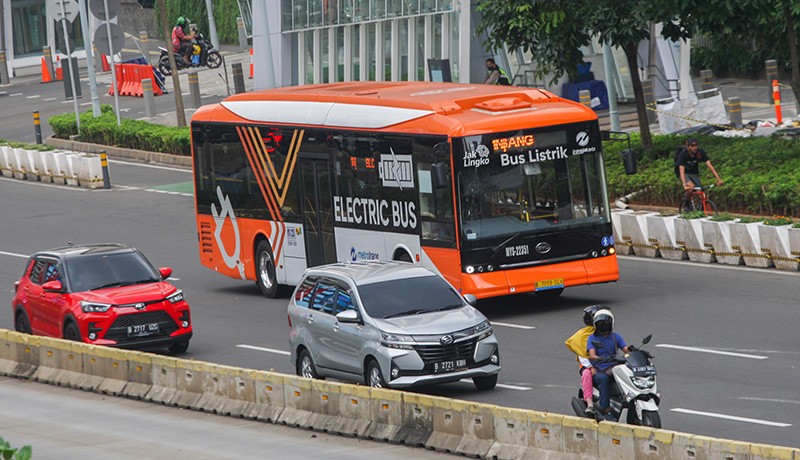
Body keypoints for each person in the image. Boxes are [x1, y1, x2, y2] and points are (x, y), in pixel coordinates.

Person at [587, 309, 630, 420]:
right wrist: (600, 358)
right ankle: (605, 408)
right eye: (600, 324)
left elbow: (626, 350)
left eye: (605, 323)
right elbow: (592, 354)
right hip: (600, 369)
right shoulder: (592, 338)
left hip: (615, 367)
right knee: (603, 379)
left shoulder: (616, 337)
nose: (603, 326)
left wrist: (632, 352)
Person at [565, 305, 607, 416]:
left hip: (604, 362)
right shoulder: (583, 335)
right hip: (588, 365)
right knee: (587, 375)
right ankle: (590, 404)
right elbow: (582, 354)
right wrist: (590, 366)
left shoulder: (605, 332)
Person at [675, 138, 724, 203]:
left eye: (696, 145)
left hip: (694, 173)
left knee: (700, 193)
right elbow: (681, 169)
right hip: (684, 173)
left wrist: (719, 179)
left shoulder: (700, 152)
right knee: (691, 187)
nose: (695, 148)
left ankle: (702, 209)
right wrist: (684, 184)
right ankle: (686, 203)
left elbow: (710, 166)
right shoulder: (683, 154)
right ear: (688, 147)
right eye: (692, 146)